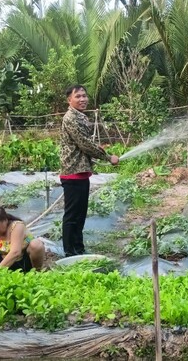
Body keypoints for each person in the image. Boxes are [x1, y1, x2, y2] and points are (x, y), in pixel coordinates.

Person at [60, 84, 119, 257]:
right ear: (69, 100)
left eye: (84, 96)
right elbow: (85, 143)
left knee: (80, 214)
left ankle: (79, 248)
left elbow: (84, 143)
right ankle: (70, 252)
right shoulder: (71, 118)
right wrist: (108, 157)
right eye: (77, 96)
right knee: (72, 215)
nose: (82, 99)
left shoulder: (80, 116)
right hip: (73, 172)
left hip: (80, 172)